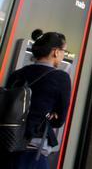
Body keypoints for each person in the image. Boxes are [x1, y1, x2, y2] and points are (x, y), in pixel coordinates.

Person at [5, 29, 72, 169]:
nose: (63, 55)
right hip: (32, 149)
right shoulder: (61, 78)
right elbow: (59, 120)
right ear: (55, 51)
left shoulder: (17, 74)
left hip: (7, 143)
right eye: (64, 51)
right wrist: (49, 114)